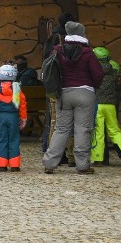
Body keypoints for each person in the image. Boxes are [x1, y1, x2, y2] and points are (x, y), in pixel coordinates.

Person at [42, 21, 104, 175]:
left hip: (63, 94)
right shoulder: (87, 52)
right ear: (82, 34)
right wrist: (93, 87)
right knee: (83, 129)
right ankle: (82, 165)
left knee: (61, 129)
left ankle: (50, 163)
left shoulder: (57, 51)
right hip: (85, 93)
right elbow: (98, 74)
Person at [91, 47, 121, 167]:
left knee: (98, 132)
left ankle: (98, 159)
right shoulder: (113, 73)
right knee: (115, 130)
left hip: (98, 105)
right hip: (111, 106)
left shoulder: (94, 72)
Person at [41, 13, 75, 153]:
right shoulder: (60, 39)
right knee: (59, 121)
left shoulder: (53, 37)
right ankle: (61, 153)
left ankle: (54, 151)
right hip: (60, 84)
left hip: (54, 84)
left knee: (55, 120)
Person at [0, 64, 28, 172]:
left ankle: (2, 165)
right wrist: (23, 119)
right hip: (14, 117)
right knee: (14, 139)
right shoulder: (17, 90)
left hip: (1, 118)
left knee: (1, 140)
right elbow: (23, 105)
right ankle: (14, 165)